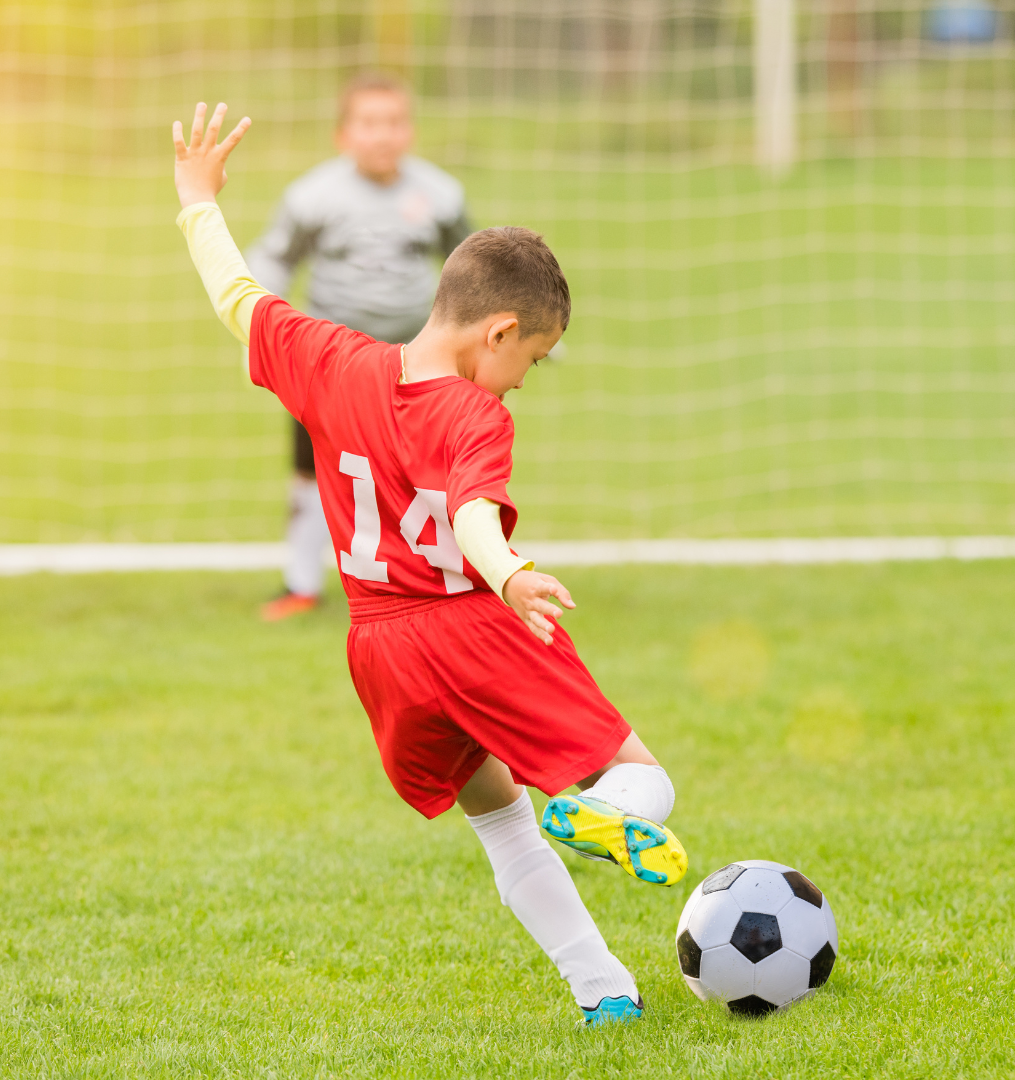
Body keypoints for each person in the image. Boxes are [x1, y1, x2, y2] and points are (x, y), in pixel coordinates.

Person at [172, 101, 688, 1026]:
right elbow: (473, 513)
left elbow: (236, 296)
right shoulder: (475, 414)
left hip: (380, 652)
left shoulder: (331, 361)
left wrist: (196, 200)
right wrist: (509, 575)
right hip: (471, 627)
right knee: (641, 775)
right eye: (534, 354)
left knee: (498, 817)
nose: (528, 375)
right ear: (496, 331)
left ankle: (603, 990)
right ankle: (613, 814)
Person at [246, 72, 472, 621]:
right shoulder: (312, 195)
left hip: (415, 358)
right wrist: (262, 312)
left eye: (394, 122)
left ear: (410, 130)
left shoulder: (440, 194)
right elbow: (274, 258)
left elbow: (469, 266)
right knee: (313, 467)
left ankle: (444, 579)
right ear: (342, 134)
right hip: (331, 360)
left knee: (430, 468)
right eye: (368, 124)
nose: (382, 135)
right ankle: (300, 583)